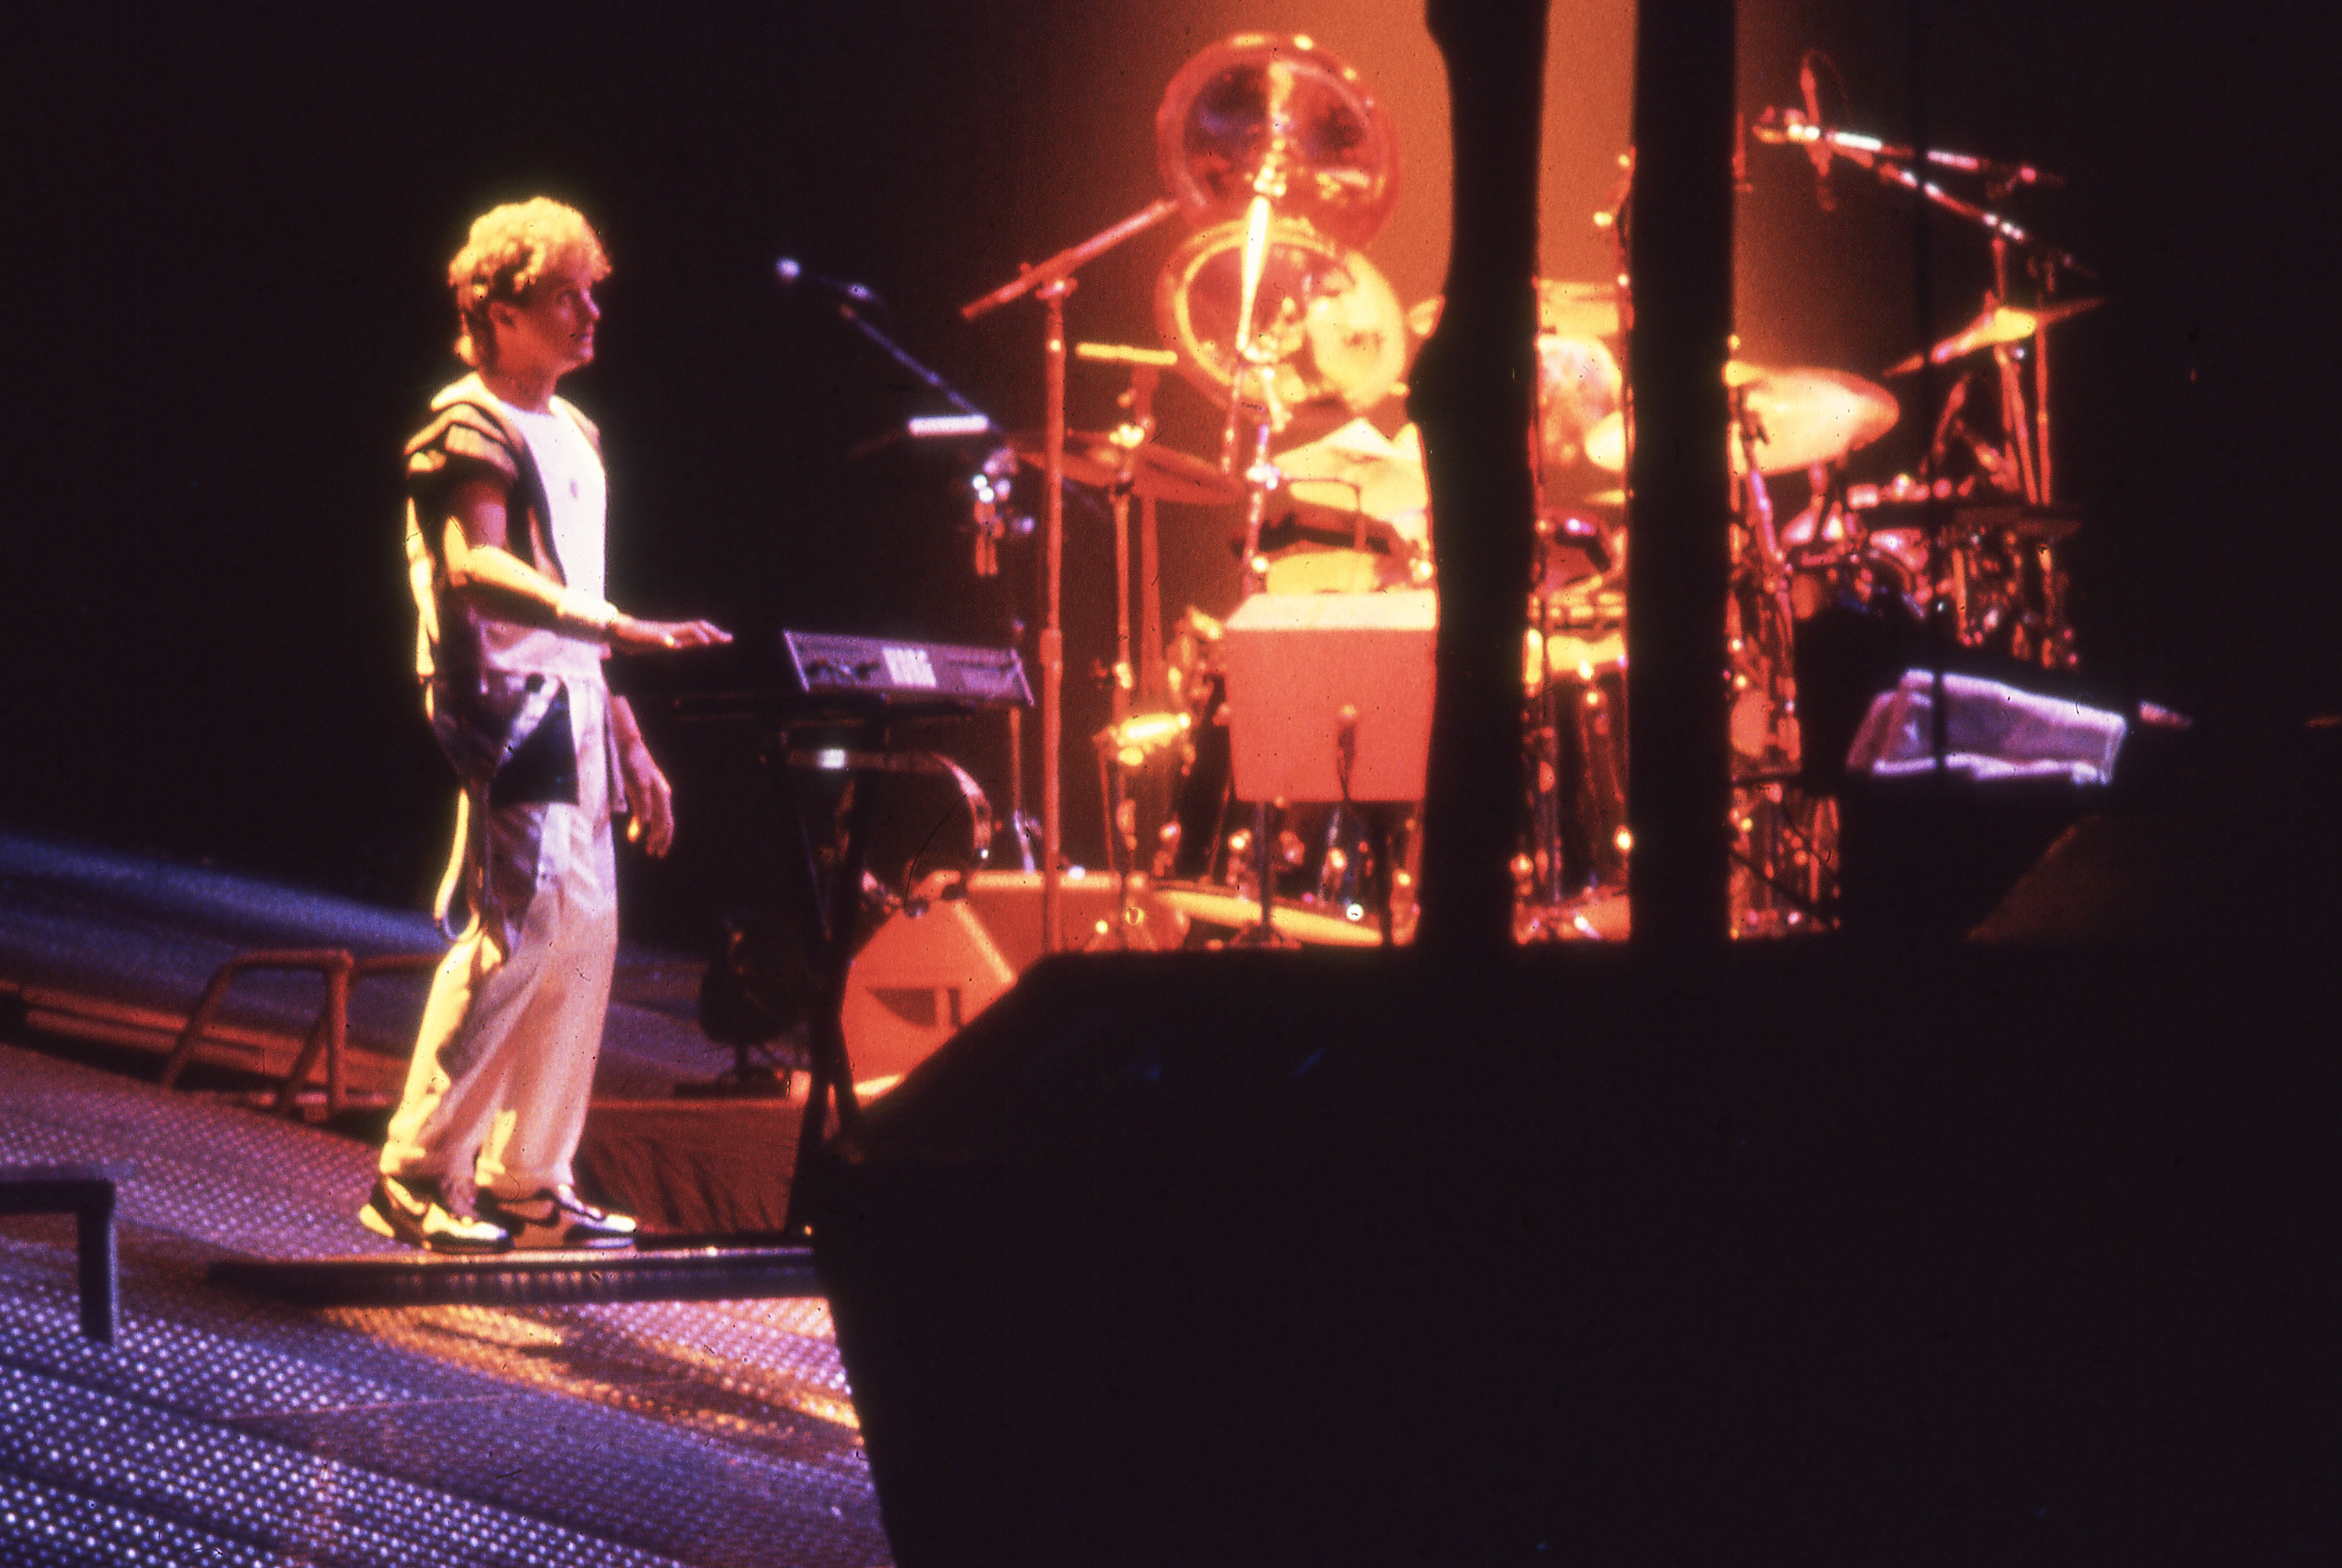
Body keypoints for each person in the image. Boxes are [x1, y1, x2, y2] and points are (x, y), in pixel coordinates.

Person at [362, 198, 730, 1252]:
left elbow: (579, 584)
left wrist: (628, 731)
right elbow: (476, 568)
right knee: (517, 931)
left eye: (592, 290)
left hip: (569, 700)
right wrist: (613, 626)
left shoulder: (575, 430)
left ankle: (530, 1178)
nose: (590, 310)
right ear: (502, 310)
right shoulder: (466, 422)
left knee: (584, 937)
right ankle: (416, 1170)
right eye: (567, 294)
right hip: (505, 700)